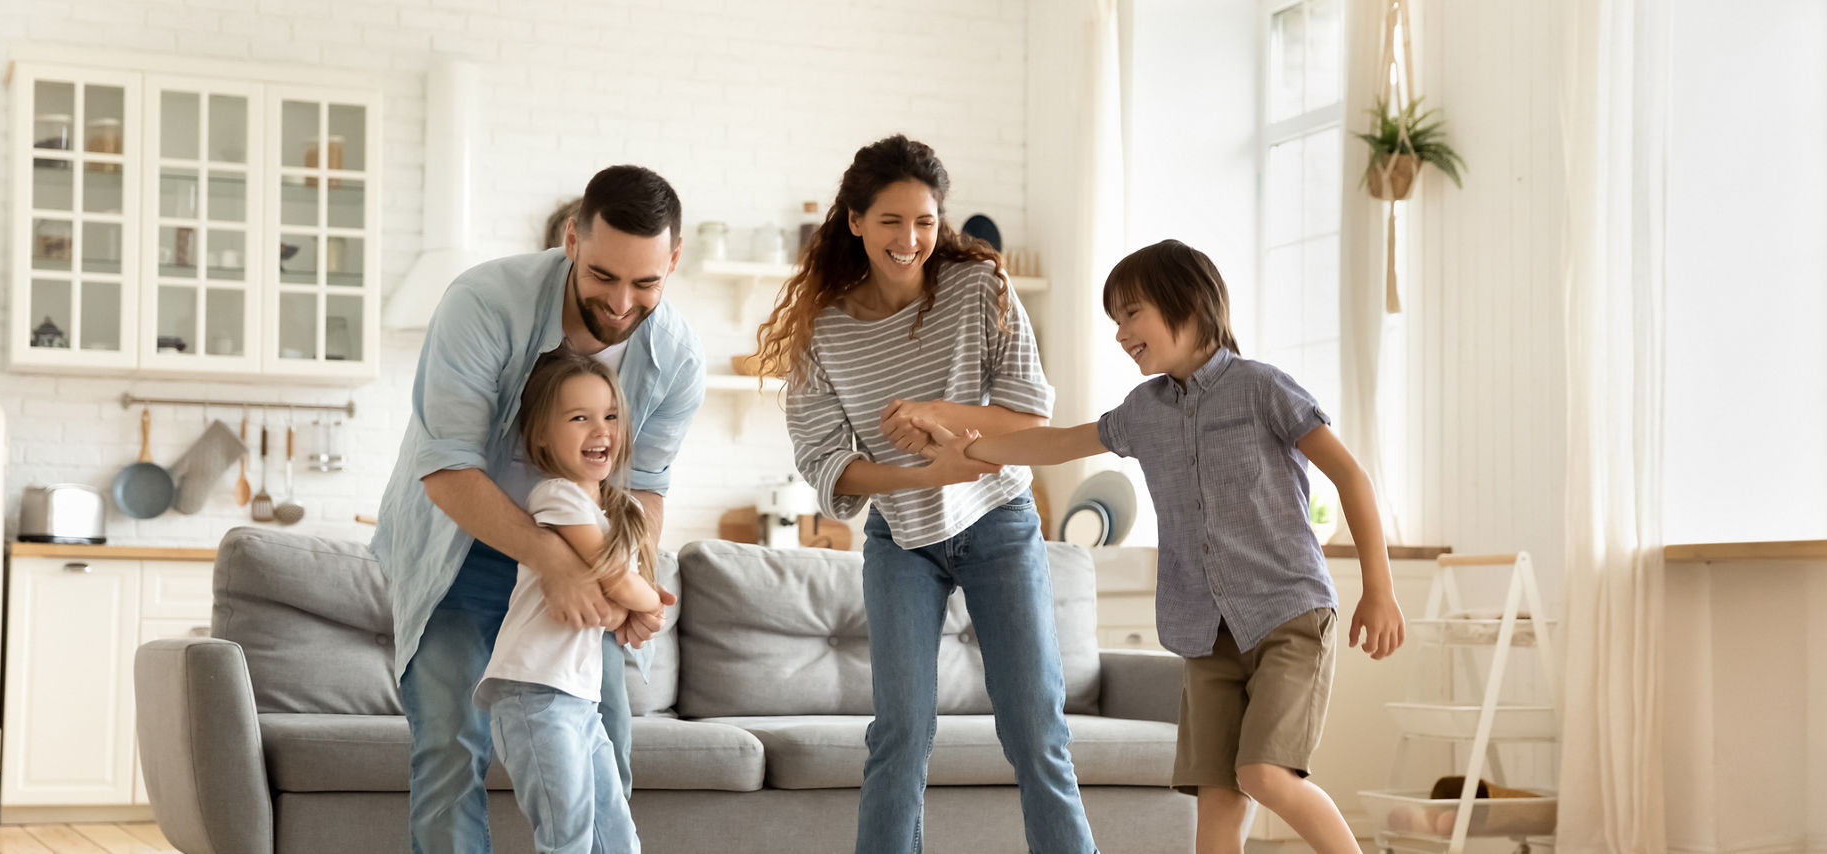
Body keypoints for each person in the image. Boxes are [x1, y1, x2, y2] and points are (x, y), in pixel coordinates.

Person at [922, 239, 1406, 854]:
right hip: (1204, 633)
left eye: (1132, 313)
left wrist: (1379, 590)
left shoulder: (1262, 388)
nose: (1121, 333)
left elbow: (1351, 476)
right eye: (1115, 319)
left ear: (1191, 304)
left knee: (1264, 774)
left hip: (1288, 615)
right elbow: (1060, 443)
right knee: (1217, 802)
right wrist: (968, 450)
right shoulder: (1143, 411)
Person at [753, 134, 1098, 854]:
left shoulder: (980, 289)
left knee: (1035, 729)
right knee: (901, 733)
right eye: (890, 221)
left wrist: (940, 414)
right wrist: (922, 475)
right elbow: (825, 464)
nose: (909, 240)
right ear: (855, 221)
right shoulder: (823, 331)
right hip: (902, 538)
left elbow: (1030, 416)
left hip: (998, 521)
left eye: (925, 221)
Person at [372, 165, 705, 854]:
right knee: (450, 747)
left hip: (588, 552)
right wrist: (556, 563)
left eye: (645, 282)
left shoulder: (676, 356)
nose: (621, 303)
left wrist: (629, 584)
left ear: (674, 260)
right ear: (572, 241)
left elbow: (645, 490)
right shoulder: (484, 303)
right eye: (604, 275)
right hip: (463, 549)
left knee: (605, 748)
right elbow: (448, 468)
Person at [477, 349, 658, 854]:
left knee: (618, 841)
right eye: (579, 418)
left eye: (610, 416)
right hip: (534, 693)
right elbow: (617, 581)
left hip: (581, 699)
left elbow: (619, 596)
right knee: (568, 840)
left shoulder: (620, 509)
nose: (600, 430)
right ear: (541, 435)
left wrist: (634, 601)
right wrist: (645, 602)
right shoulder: (556, 496)